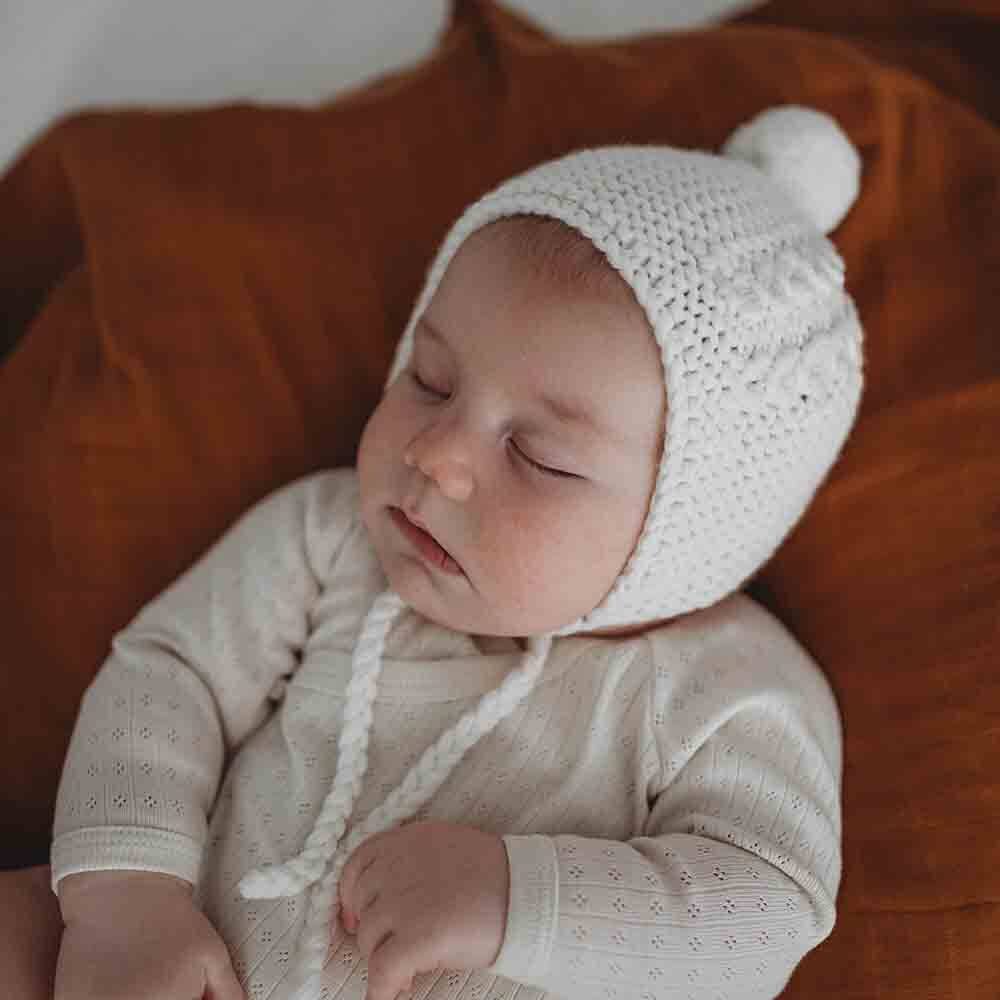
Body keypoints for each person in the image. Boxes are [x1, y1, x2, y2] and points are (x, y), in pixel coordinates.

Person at [1, 104, 864, 1000]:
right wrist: (124, 896)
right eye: (430, 380)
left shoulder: (730, 686)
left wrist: (512, 899)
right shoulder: (329, 537)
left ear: (691, 529)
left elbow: (768, 907)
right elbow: (172, 672)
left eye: (538, 457)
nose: (436, 454)